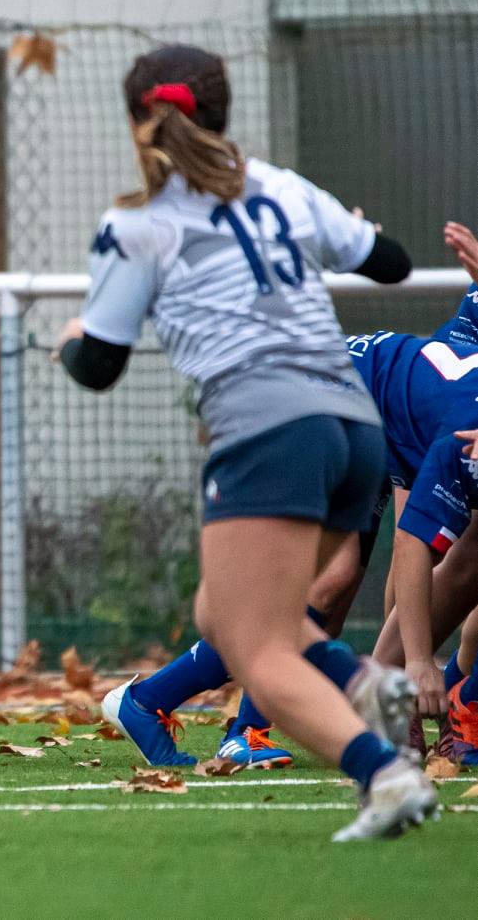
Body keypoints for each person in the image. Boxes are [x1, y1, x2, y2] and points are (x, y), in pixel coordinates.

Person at [55, 44, 436, 840]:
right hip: (351, 424)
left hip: (269, 428)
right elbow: (391, 262)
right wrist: (356, 230)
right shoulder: (282, 188)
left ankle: (386, 777)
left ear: (138, 123)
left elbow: (98, 366)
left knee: (255, 647)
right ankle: (371, 684)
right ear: (223, 114)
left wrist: (71, 339)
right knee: (223, 612)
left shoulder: (137, 222)